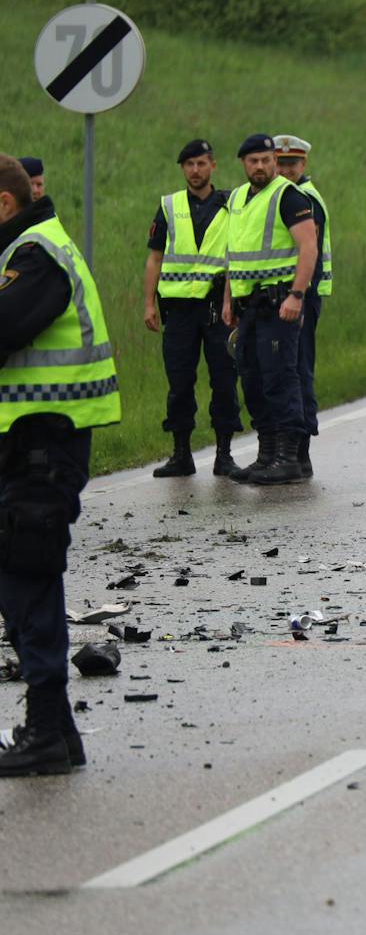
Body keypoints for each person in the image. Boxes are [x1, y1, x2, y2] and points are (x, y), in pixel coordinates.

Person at [0, 154, 120, 776]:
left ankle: (47, 731)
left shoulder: (36, 254)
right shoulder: (25, 250)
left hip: (44, 444)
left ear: (3, 203)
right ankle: (58, 734)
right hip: (29, 444)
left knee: (27, 576)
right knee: (23, 578)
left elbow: (4, 327)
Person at [221, 133, 319, 486]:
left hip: (280, 305)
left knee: (280, 378)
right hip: (248, 307)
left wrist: (297, 295)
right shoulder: (236, 198)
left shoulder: (288, 195)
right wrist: (229, 300)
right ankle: (266, 455)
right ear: (243, 164)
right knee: (253, 380)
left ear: (274, 162)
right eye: (253, 161)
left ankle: (289, 458)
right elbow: (233, 253)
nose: (259, 166)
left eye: (265, 160)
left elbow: (309, 247)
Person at [143, 138, 240, 478]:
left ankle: (224, 455)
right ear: (182, 168)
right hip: (179, 310)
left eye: (201, 164)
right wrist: (148, 304)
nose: (195, 171)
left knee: (225, 381)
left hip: (219, 309)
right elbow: (155, 257)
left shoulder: (232, 204)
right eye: (189, 165)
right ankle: (181, 454)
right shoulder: (169, 206)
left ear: (213, 165)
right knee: (180, 382)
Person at [273, 135, 330, 479]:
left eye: (292, 164)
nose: (285, 169)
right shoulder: (281, 197)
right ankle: (287, 451)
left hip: (303, 296)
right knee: (286, 370)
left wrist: (298, 294)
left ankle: (300, 452)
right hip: (291, 296)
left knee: (298, 371)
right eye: (281, 163)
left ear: (303, 166)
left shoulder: (305, 199)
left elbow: (308, 252)